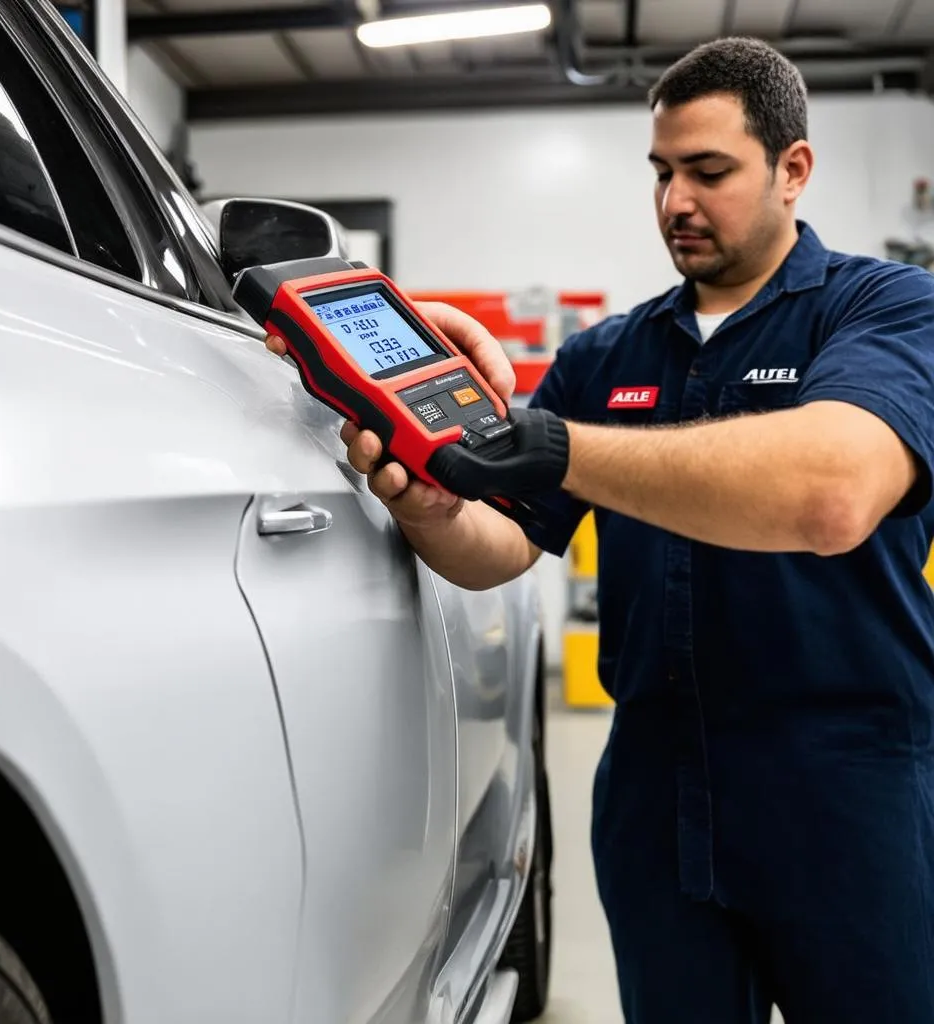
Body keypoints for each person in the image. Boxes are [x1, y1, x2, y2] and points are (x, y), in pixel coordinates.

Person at [268, 37, 934, 1023]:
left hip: (847, 782)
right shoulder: (608, 353)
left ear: (793, 168)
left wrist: (552, 443)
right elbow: (499, 548)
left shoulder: (883, 309)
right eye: (661, 173)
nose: (675, 202)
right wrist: (426, 497)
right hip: (654, 791)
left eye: (708, 172)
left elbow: (830, 493)